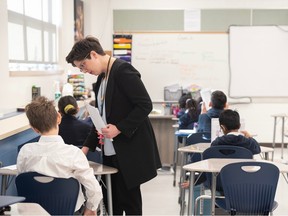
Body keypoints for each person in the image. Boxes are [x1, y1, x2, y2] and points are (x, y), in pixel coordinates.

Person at [66, 36, 162, 215]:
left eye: (83, 66)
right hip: (110, 151)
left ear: (93, 54)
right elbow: (100, 118)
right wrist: (85, 148)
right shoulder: (102, 79)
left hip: (128, 151)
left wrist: (119, 128)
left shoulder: (123, 71)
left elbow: (145, 105)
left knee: (130, 204)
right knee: (112, 203)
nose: (84, 71)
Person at [17, 96, 103, 215]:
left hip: (33, 212)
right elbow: (93, 188)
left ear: (34, 128)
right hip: (69, 211)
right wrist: (91, 207)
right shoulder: (73, 153)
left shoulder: (25, 152)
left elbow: (23, 181)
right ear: (58, 117)